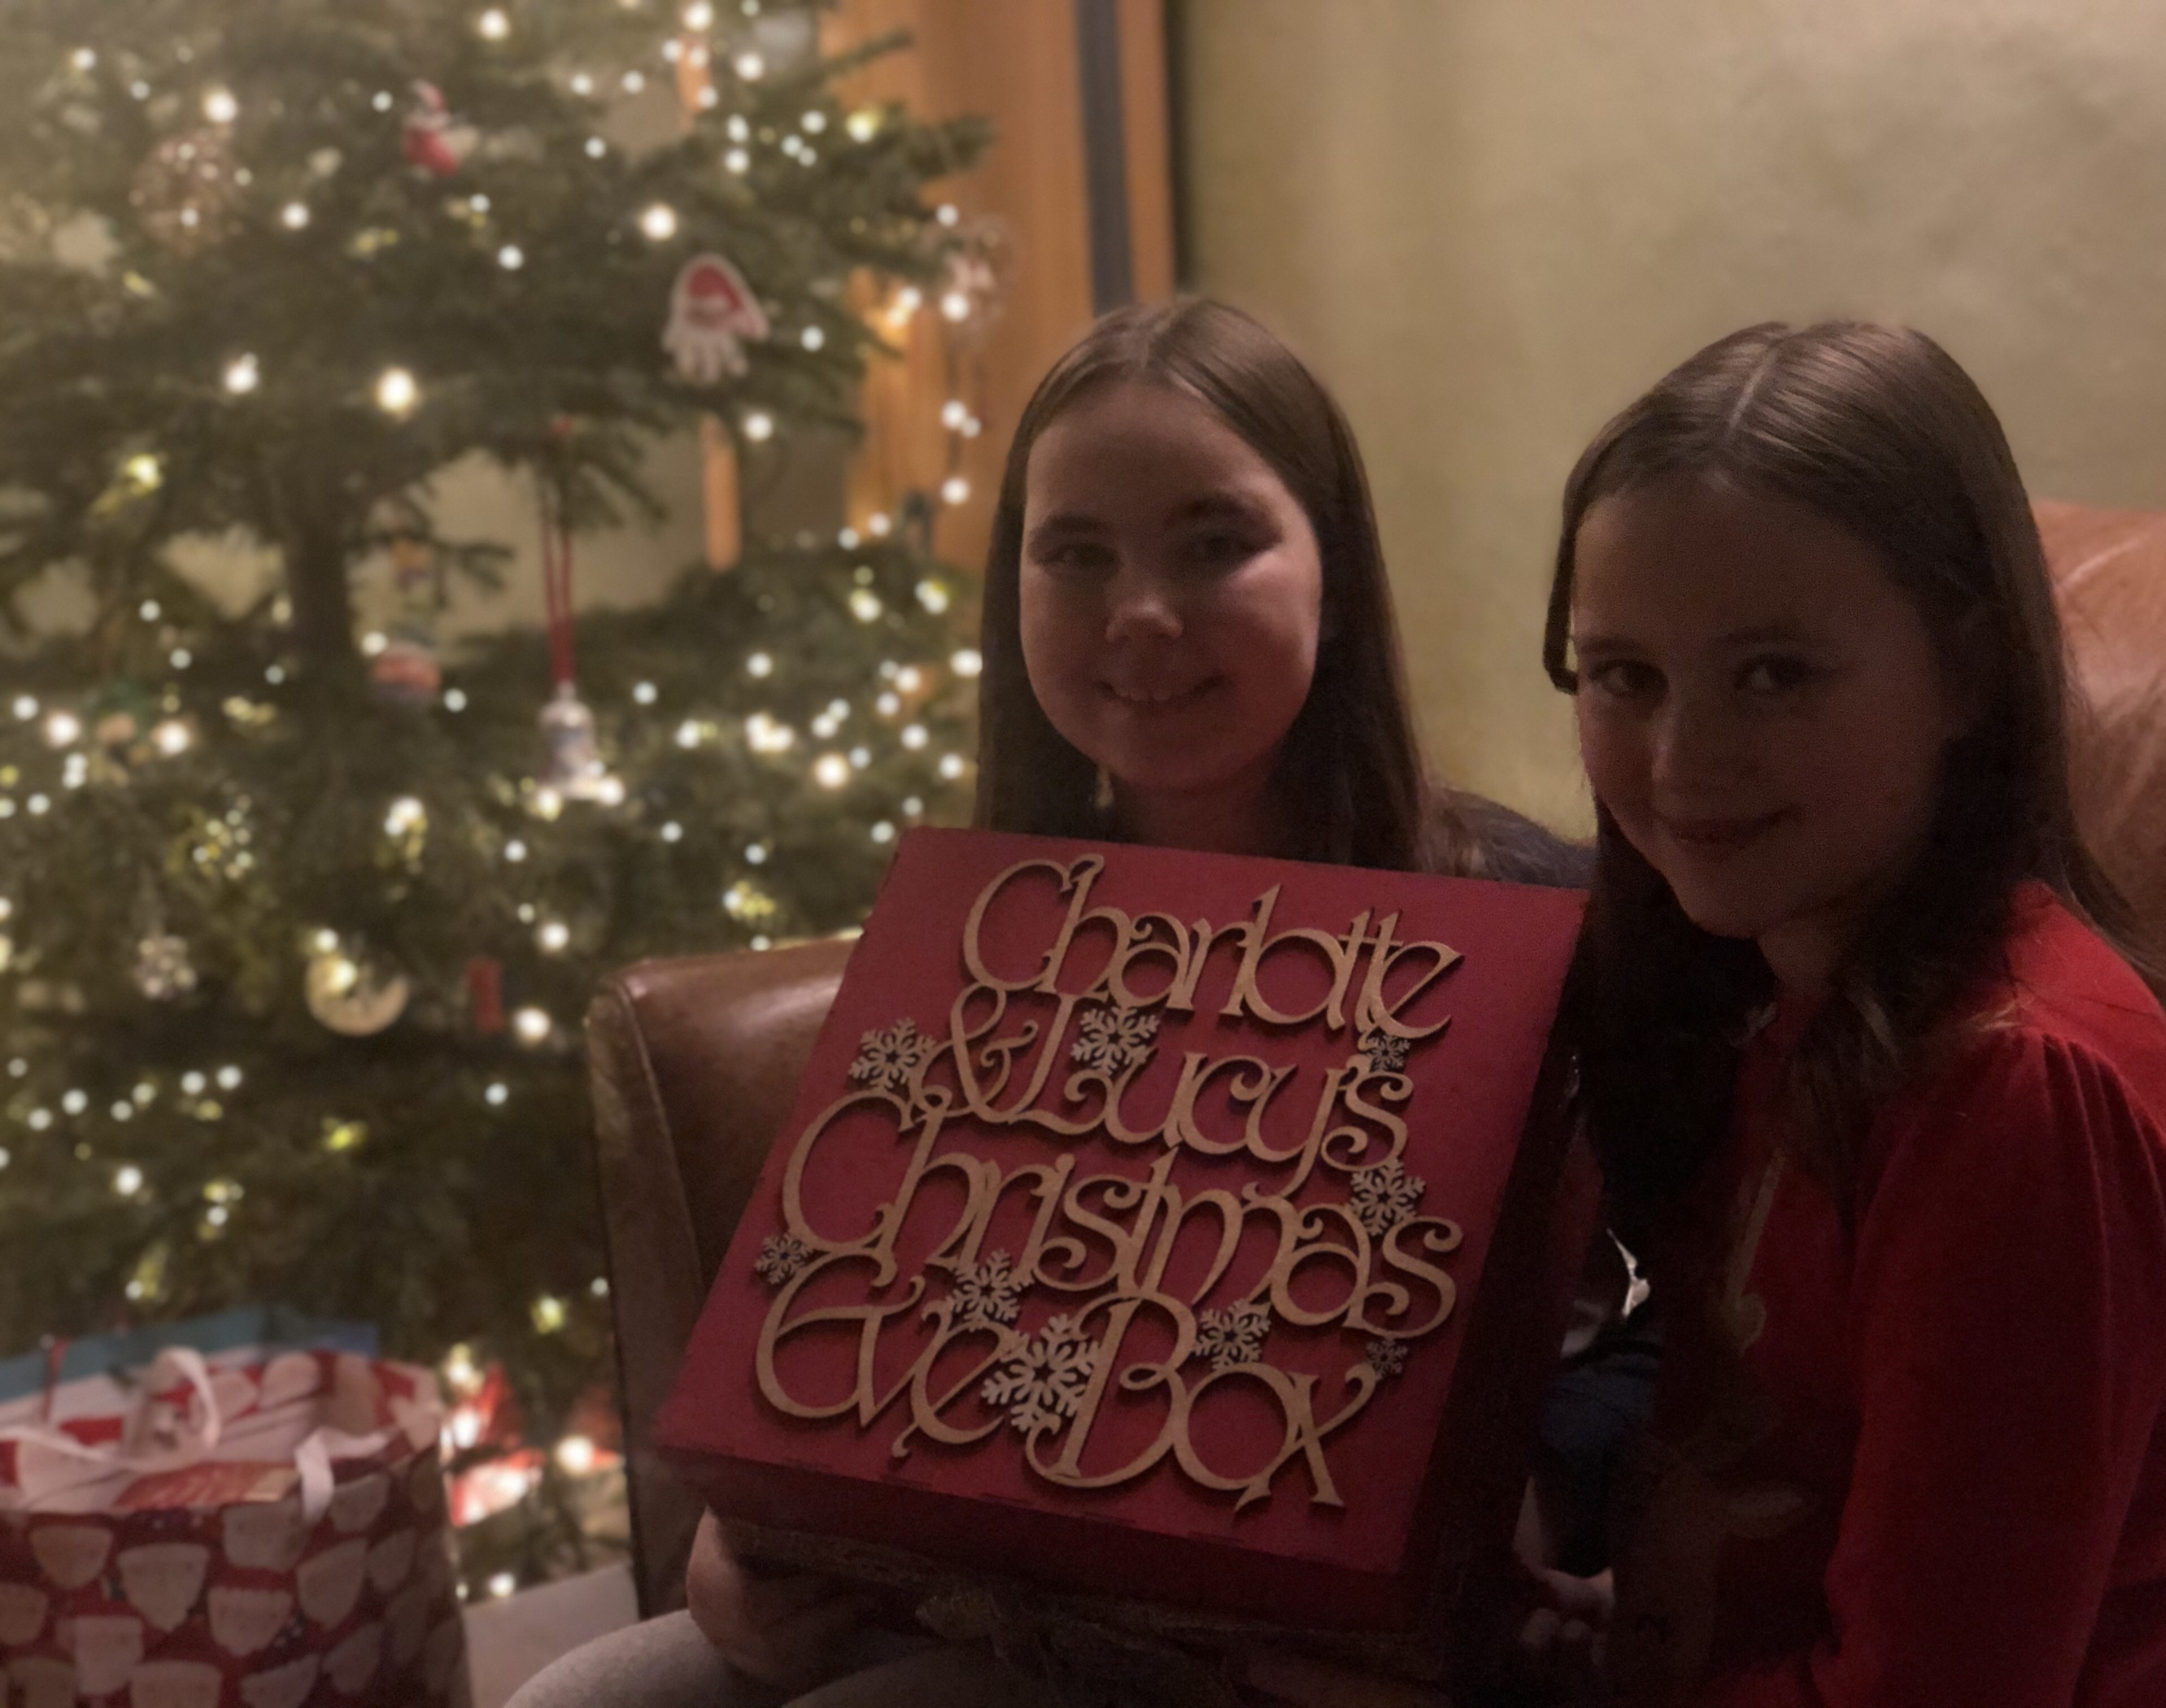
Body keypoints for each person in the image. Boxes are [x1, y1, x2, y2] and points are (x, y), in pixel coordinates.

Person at [508, 297, 1605, 1708]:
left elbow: (1678, 1324)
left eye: (1214, 545)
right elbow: (871, 1292)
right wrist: (756, 1527)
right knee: (574, 1698)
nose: (1139, 614)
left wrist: (1533, 1505)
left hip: (1294, 1645)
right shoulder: (983, 930)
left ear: (1334, 571)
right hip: (977, 1585)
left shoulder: (1521, 917)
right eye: (1075, 552)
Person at [1545, 319, 2166, 1704]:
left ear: (1968, 673)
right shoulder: (1768, 1001)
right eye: (1626, 677)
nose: (1684, 759)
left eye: (1775, 674)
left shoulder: (2020, 1093)